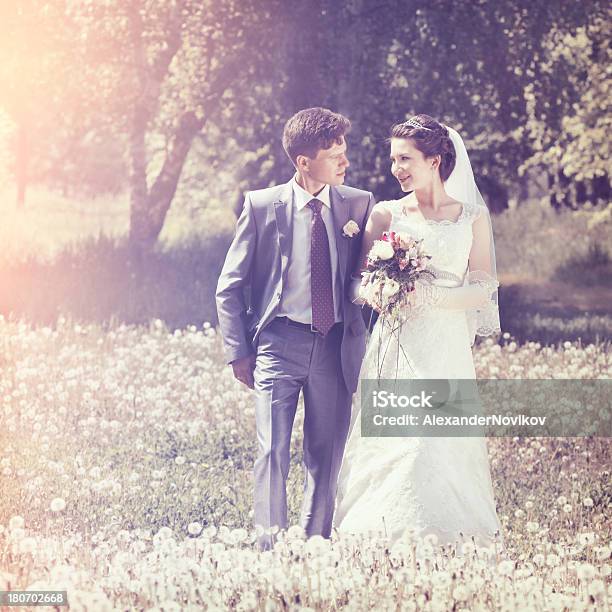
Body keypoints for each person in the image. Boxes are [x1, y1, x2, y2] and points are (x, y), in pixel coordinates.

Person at [334, 114, 503, 553]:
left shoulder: (472, 217)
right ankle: (382, 536)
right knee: (401, 440)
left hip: (445, 346)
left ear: (435, 159)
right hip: (397, 344)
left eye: (405, 159)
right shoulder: (386, 214)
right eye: (393, 159)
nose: (397, 169)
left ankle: (450, 536)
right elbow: (357, 283)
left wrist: (429, 297)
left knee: (438, 440)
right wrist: (389, 290)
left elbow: (483, 286)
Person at [216, 107, 376, 550]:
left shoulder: (359, 205)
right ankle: (269, 548)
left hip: (335, 347)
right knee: (272, 451)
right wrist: (239, 351)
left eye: (345, 152)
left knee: (325, 455)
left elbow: (368, 277)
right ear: (303, 161)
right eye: (334, 155)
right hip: (277, 345)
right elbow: (229, 287)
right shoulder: (262, 206)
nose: (345, 162)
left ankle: (313, 545)